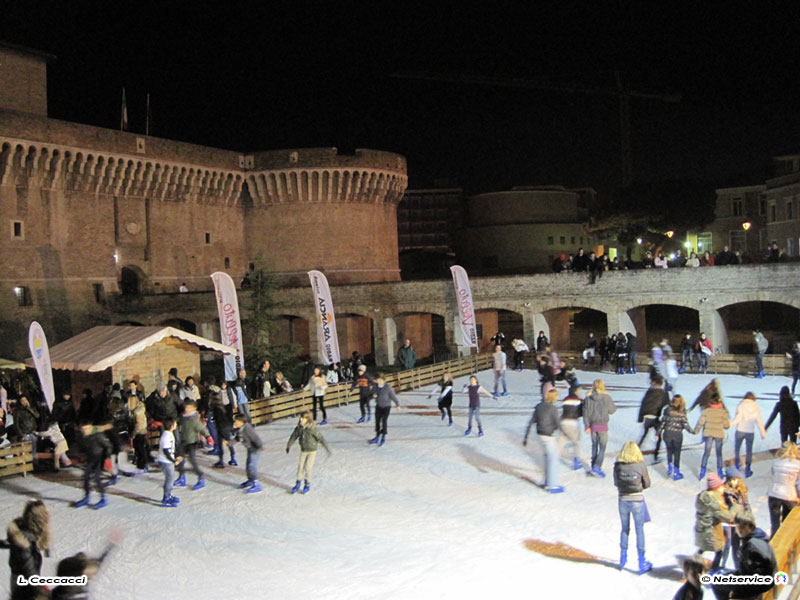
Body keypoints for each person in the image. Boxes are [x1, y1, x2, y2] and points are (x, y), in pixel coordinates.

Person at [710, 512, 776, 600]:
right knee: (721, 576)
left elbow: (751, 576)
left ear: (750, 526)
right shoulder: (758, 536)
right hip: (764, 579)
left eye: (742, 527)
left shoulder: (752, 546)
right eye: (738, 527)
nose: (739, 530)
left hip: (759, 584)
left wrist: (737, 589)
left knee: (716, 583)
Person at [50, 529, 123, 600]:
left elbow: (98, 563)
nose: (90, 578)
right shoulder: (60, 594)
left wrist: (111, 545)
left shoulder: (82, 583)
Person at [613, 442, 652, 574]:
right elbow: (647, 483)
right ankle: (641, 561)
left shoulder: (618, 466)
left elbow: (616, 483)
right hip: (637, 500)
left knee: (625, 529)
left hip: (623, 499)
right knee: (639, 530)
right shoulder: (640, 465)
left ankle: (622, 558)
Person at [5, 499, 51, 600]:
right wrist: (40, 589)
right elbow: (28, 568)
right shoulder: (23, 541)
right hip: (22, 582)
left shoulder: (30, 531)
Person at [695, 473, 739, 571]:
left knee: (702, 548)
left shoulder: (702, 496)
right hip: (711, 531)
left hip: (701, 528)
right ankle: (714, 572)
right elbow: (727, 516)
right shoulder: (715, 501)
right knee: (719, 552)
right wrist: (735, 508)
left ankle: (694, 565)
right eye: (720, 487)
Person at [524, 388, 563, 493]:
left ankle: (547, 482)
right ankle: (552, 485)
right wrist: (564, 433)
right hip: (548, 435)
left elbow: (531, 421)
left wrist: (526, 437)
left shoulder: (539, 406)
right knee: (553, 459)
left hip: (540, 435)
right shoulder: (553, 408)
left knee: (548, 458)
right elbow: (558, 423)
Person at [286, 410, 331, 494]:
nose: (301, 420)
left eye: (303, 418)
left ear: (308, 419)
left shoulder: (312, 428)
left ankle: (307, 484)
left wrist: (327, 448)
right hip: (304, 450)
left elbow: (321, 438)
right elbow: (293, 436)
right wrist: (289, 445)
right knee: (300, 467)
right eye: (301, 418)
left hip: (312, 451)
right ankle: (298, 483)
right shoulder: (299, 428)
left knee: (308, 467)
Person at [173, 400, 212, 491]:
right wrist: (173, 423)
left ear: (194, 409)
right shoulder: (183, 416)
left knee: (192, 460)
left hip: (192, 442)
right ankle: (181, 477)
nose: (186, 409)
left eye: (189, 408)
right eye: (186, 407)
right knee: (179, 458)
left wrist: (208, 436)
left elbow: (202, 428)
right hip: (183, 441)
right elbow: (178, 420)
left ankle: (201, 477)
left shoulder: (194, 420)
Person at [74, 420, 112, 509]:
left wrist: (106, 458)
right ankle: (87, 497)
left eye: (87, 428)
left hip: (99, 459)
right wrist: (81, 455)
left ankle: (103, 498)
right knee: (86, 477)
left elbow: (108, 446)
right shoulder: (83, 437)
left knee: (97, 478)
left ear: (91, 427)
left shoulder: (97, 435)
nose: (85, 430)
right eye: (83, 429)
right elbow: (82, 448)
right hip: (91, 459)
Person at [583, 379, 617, 477]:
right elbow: (612, 410)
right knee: (602, 447)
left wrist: (586, 426)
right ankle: (597, 466)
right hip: (603, 425)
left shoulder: (588, 398)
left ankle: (593, 465)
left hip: (592, 425)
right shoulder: (607, 397)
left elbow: (585, 414)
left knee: (594, 445)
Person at [767, 441, 800, 539]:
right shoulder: (798, 465)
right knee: (787, 524)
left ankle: (773, 543)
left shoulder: (776, 461)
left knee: (775, 523)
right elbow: (798, 483)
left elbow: (773, 474)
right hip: (789, 495)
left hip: (773, 493)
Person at [694, 391, 730, 480]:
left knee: (706, 452)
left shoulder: (706, 411)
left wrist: (696, 430)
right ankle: (720, 472)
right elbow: (726, 426)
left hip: (708, 433)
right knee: (719, 453)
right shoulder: (723, 412)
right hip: (718, 434)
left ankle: (702, 470)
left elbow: (700, 422)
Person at [729, 392, 766, 478]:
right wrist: (762, 432)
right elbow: (758, 420)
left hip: (740, 430)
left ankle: (737, 465)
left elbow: (737, 418)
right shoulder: (756, 407)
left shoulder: (741, 405)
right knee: (749, 450)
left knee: (737, 448)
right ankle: (748, 468)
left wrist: (729, 424)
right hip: (750, 431)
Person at [658, 394, 694, 480]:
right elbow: (685, 425)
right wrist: (692, 431)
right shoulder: (682, 412)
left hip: (667, 434)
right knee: (677, 453)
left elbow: (662, 422)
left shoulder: (667, 410)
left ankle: (670, 466)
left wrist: (658, 432)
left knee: (669, 451)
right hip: (677, 435)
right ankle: (676, 471)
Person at [720, 467, 750, 570]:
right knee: (726, 546)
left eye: (736, 479)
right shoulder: (724, 492)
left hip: (738, 522)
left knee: (736, 547)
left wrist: (749, 518)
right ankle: (721, 566)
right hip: (727, 522)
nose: (734, 482)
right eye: (732, 480)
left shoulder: (742, 490)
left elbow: (746, 504)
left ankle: (738, 568)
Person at [638, 374, 670, 463]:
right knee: (658, 437)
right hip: (656, 417)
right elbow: (668, 405)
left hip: (647, 416)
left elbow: (643, 404)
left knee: (644, 435)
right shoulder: (664, 393)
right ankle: (656, 455)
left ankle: (636, 451)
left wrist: (640, 417)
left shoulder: (649, 392)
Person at [234, 412, 264, 493]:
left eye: (236, 421)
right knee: (248, 466)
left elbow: (256, 438)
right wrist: (228, 443)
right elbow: (237, 439)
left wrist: (259, 447)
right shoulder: (240, 429)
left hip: (255, 449)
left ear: (241, 422)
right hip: (250, 449)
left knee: (252, 466)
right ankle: (251, 480)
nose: (234, 422)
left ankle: (256, 484)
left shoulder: (247, 428)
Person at [157, 418, 183, 508]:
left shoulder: (169, 434)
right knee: (169, 479)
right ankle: (166, 497)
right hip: (165, 461)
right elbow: (166, 450)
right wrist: (173, 460)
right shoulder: (166, 435)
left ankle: (169, 495)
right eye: (175, 423)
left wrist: (176, 457)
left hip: (167, 460)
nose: (176, 425)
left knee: (170, 478)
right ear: (171, 425)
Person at [370, 373, 401, 447]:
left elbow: (393, 397)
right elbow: (372, 392)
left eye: (380, 379)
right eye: (377, 380)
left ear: (383, 379)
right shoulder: (375, 386)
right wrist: (373, 395)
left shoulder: (388, 388)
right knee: (377, 421)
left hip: (386, 407)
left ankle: (383, 436)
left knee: (384, 421)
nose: (378, 381)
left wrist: (397, 405)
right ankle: (377, 436)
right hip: (378, 406)